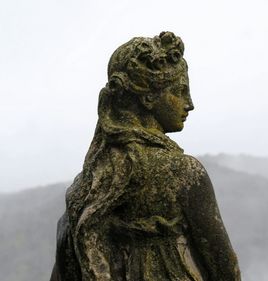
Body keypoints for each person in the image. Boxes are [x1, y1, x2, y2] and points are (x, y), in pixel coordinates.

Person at [50, 31, 241, 281]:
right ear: (149, 97)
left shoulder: (87, 185)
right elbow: (224, 266)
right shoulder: (183, 173)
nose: (189, 103)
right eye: (179, 91)